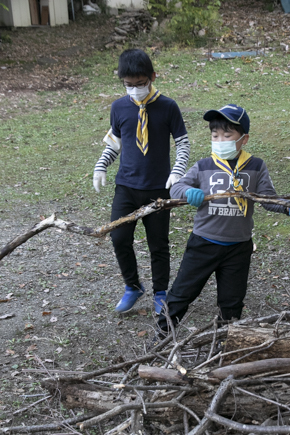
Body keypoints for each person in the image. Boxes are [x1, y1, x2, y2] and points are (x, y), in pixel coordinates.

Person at [157, 103, 290, 334]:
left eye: (227, 135)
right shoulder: (204, 166)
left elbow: (267, 199)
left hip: (238, 247)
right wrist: (188, 193)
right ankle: (161, 336)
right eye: (215, 135)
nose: (220, 141)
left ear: (244, 139)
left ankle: (225, 341)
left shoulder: (256, 166)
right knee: (181, 294)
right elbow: (176, 187)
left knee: (232, 301)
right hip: (203, 244)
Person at [93, 49, 190, 314]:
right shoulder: (119, 107)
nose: (135, 89)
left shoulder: (168, 106)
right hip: (126, 186)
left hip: (159, 188)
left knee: (157, 243)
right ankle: (132, 286)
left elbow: (182, 143)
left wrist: (178, 171)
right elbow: (115, 142)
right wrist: (100, 166)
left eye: (140, 84)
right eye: (128, 85)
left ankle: (160, 292)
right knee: (119, 238)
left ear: (152, 77)